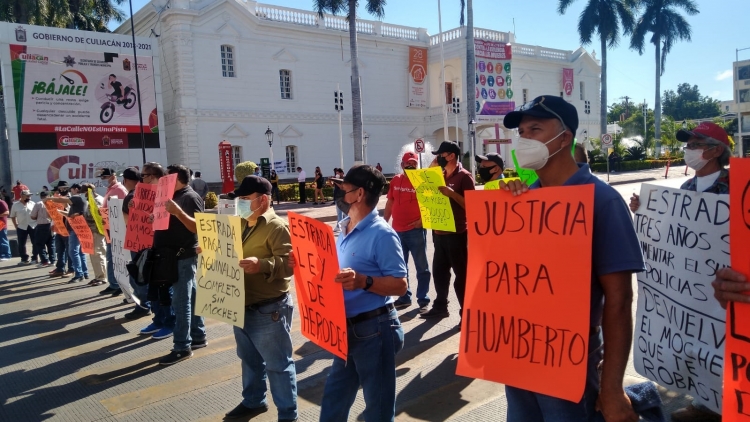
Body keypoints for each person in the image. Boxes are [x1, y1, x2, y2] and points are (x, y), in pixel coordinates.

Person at [498, 95, 644, 422]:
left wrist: (611, 389)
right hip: (518, 353)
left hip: (571, 358)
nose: (524, 139)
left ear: (564, 138)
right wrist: (504, 217)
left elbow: (619, 301)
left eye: (535, 128)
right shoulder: (521, 200)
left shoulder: (603, 202)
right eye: (521, 132)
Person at [628, 122, 730, 422]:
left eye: (695, 144)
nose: (689, 150)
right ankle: (704, 403)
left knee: (719, 339)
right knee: (697, 339)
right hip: (692, 281)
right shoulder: (686, 188)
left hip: (722, 283)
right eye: (689, 145)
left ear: (714, 150)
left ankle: (722, 405)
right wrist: (644, 212)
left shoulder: (734, 187)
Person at [290, 165, 407, 422]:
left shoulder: (382, 234)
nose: (338, 192)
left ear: (360, 194)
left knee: (377, 406)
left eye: (343, 188)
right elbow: (331, 271)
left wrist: (363, 281)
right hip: (346, 331)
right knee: (335, 398)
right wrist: (302, 263)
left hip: (375, 330)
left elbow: (400, 285)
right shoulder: (343, 228)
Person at [221, 176, 297, 421]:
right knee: (249, 360)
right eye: (240, 199)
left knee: (278, 365)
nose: (241, 203)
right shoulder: (242, 223)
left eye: (245, 199)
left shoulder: (276, 227)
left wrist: (261, 264)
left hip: (269, 309)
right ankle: (254, 401)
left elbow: (289, 265)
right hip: (241, 303)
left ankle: (288, 414)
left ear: (262, 200)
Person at [156, 164, 206, 365]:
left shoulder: (190, 197)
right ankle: (198, 335)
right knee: (190, 296)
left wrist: (177, 212)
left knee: (181, 301)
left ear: (176, 179)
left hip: (183, 255)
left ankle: (182, 346)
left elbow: (197, 227)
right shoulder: (175, 196)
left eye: (167, 177)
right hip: (173, 255)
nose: (164, 181)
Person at [421, 141, 475, 320]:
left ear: (451, 155)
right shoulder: (440, 175)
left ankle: (466, 313)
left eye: (441, 155)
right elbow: (424, 188)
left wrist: (451, 194)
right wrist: (431, 170)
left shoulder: (464, 177)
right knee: (439, 273)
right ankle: (440, 307)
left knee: (462, 276)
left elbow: (472, 206)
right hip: (439, 233)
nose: (438, 158)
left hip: (457, 234)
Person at [132, 163, 177, 335]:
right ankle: (158, 320)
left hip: (166, 250)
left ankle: (169, 323)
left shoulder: (168, 192)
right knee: (154, 290)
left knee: (165, 290)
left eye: (143, 175)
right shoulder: (154, 193)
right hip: (153, 246)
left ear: (151, 176)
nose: (141, 179)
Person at [384, 152, 432, 312]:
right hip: (397, 231)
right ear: (402, 165)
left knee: (422, 267)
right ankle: (404, 297)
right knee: (400, 267)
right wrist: (384, 223)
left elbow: (431, 204)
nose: (411, 166)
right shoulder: (396, 180)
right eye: (407, 164)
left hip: (415, 230)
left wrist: (422, 222)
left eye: (414, 164)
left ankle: (423, 300)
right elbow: (390, 202)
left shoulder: (422, 181)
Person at [47, 183, 90, 283]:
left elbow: (62, 200)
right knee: (80, 252)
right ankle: (84, 272)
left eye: (71, 190)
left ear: (75, 189)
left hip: (75, 229)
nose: (70, 192)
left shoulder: (76, 198)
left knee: (73, 251)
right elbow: (73, 214)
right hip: (80, 228)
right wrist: (61, 212)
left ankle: (79, 274)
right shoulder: (84, 200)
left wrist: (49, 199)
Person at [99, 168, 128, 294]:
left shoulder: (120, 190)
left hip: (118, 228)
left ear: (113, 176)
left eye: (105, 177)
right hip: (110, 228)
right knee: (112, 257)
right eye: (102, 178)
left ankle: (118, 285)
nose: (104, 180)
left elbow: (124, 209)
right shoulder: (110, 190)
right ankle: (115, 283)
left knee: (117, 258)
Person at [80, 184, 108, 286]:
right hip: (90, 232)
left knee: (99, 253)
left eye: (83, 192)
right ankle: (97, 276)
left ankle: (102, 277)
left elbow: (100, 216)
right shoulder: (89, 201)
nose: (83, 195)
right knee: (93, 254)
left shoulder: (98, 201)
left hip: (98, 231)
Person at [48, 181, 73, 277]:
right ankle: (60, 268)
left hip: (67, 229)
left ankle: (71, 269)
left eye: (64, 188)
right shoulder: (56, 199)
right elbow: (51, 214)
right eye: (60, 188)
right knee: (60, 250)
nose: (62, 190)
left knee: (69, 250)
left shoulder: (70, 199)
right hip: (59, 228)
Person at [10, 189, 38, 264]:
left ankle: (35, 258)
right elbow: (12, 216)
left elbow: (37, 214)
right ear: (22, 196)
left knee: (35, 242)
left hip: (33, 225)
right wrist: (16, 225)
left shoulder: (32, 203)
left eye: (30, 196)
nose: (29, 197)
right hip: (21, 226)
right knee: (21, 243)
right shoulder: (15, 205)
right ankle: (24, 259)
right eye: (27, 196)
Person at [30, 191, 55, 267]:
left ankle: (44, 261)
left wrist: (38, 216)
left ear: (41, 197)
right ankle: (53, 260)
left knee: (39, 244)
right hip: (52, 224)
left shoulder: (38, 204)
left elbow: (33, 216)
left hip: (41, 225)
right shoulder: (53, 203)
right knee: (51, 243)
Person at [330, 168, 345, 233]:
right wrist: (330, 180)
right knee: (339, 213)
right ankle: (339, 226)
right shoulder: (336, 179)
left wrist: (336, 180)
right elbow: (332, 185)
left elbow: (341, 187)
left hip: (343, 197)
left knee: (345, 213)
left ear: (342, 173)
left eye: (338, 173)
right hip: (337, 197)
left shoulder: (344, 179)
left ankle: (343, 225)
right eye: (336, 173)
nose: (337, 174)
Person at [0, 195, 10, 261]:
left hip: (1, 224)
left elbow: (7, 212)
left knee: (3, 240)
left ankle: (6, 255)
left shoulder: (2, 202)